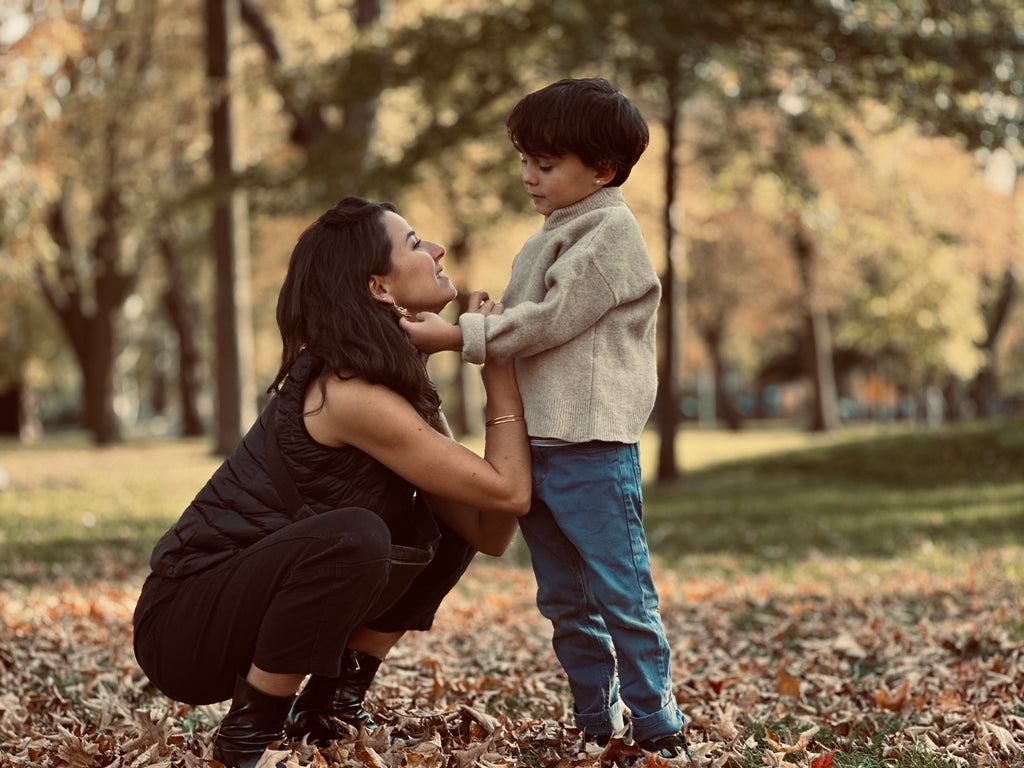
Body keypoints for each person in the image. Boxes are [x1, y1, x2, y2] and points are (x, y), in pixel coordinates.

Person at [133, 197, 531, 768]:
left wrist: (476, 350)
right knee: (355, 535)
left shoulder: (388, 385)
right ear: (378, 288)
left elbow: (489, 528)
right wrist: (493, 358)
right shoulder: (347, 393)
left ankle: (330, 706)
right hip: (183, 627)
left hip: (237, 609)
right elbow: (511, 492)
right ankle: (247, 738)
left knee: (441, 512)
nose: (438, 250)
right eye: (416, 244)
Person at [402, 78, 689, 759]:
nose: (529, 175)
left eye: (546, 163)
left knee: (622, 593)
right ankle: (597, 717)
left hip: (591, 445)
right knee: (563, 597)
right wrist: (488, 316)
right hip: (541, 443)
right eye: (525, 159)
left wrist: (455, 335)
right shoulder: (554, 233)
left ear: (603, 170)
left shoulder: (611, 232)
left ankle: (657, 723)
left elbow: (554, 321)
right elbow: (530, 326)